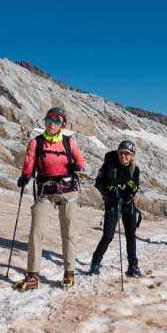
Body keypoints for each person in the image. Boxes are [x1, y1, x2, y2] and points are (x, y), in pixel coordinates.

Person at [15, 107, 86, 291]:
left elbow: (81, 162)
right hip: (45, 192)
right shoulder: (36, 143)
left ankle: (69, 273)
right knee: (36, 232)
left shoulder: (69, 143)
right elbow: (29, 163)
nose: (52, 124)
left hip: (68, 192)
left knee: (68, 233)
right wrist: (25, 176)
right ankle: (33, 275)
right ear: (45, 121)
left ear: (63, 124)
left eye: (56, 121)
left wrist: (76, 166)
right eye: (49, 120)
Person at [90, 140, 141, 277]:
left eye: (127, 153)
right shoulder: (109, 166)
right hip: (113, 204)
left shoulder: (135, 169)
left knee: (131, 236)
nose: (123, 156)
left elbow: (135, 187)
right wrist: (109, 193)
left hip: (128, 205)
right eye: (121, 153)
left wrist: (128, 190)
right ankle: (95, 262)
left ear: (132, 155)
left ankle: (133, 266)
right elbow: (99, 183)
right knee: (108, 236)